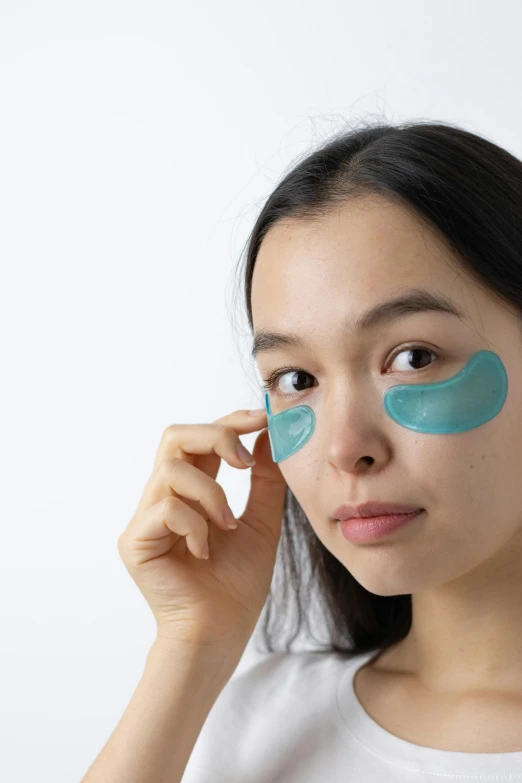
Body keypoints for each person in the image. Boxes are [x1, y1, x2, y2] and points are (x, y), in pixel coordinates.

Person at [82, 120, 522, 782]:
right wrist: (192, 648)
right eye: (296, 379)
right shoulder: (248, 720)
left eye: (412, 357)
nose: (347, 448)